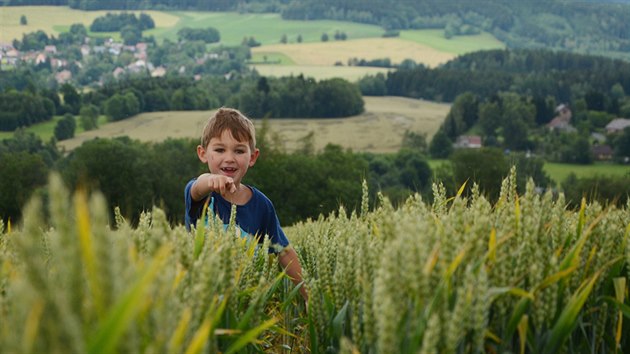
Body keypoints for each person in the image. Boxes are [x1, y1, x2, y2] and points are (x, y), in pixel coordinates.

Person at [184, 107, 308, 303]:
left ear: (252, 157)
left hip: (247, 305)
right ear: (203, 153)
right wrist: (209, 180)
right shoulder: (202, 197)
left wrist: (308, 295)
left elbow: (282, 251)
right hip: (201, 302)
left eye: (239, 150)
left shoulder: (262, 205)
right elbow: (196, 188)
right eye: (219, 149)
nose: (229, 158)